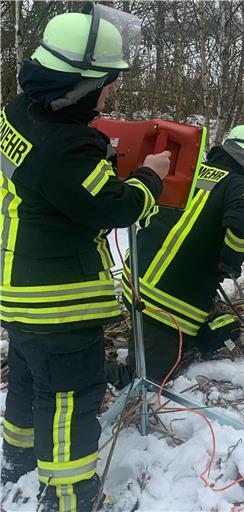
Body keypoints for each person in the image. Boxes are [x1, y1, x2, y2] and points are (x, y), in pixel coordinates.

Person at [0, 7, 169, 511]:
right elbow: (112, 208)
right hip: (60, 303)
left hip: (18, 290)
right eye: (106, 81)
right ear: (78, 85)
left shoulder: (17, 112)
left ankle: (17, 460)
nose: (111, 91)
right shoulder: (70, 147)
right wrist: (151, 176)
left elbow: (52, 185)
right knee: (70, 400)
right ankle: (71, 497)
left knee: (29, 382)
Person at [105, 122, 244, 389]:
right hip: (168, 302)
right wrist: (229, 262)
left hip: (134, 281)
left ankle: (159, 336)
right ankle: (87, 371)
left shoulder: (189, 170)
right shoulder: (240, 188)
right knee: (145, 380)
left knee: (215, 331)